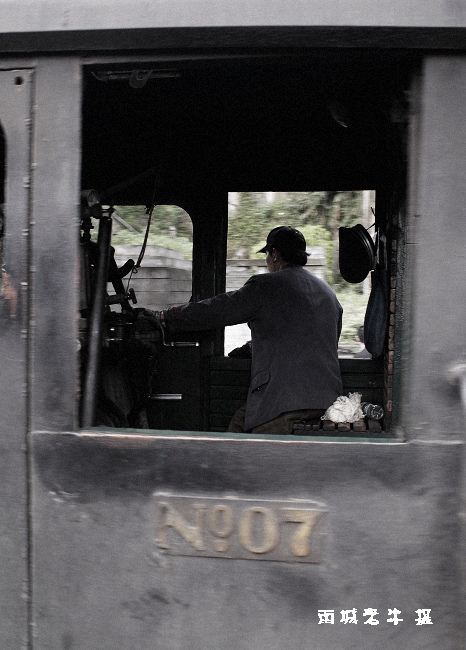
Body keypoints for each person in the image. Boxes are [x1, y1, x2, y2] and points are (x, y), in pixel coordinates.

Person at [142, 226, 343, 434]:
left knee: (241, 451)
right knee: (240, 421)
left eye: (267, 255)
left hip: (283, 402)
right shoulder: (328, 293)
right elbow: (311, 339)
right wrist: (252, 347)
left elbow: (218, 309)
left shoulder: (266, 285)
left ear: (274, 255)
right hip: (328, 400)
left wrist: (167, 316)